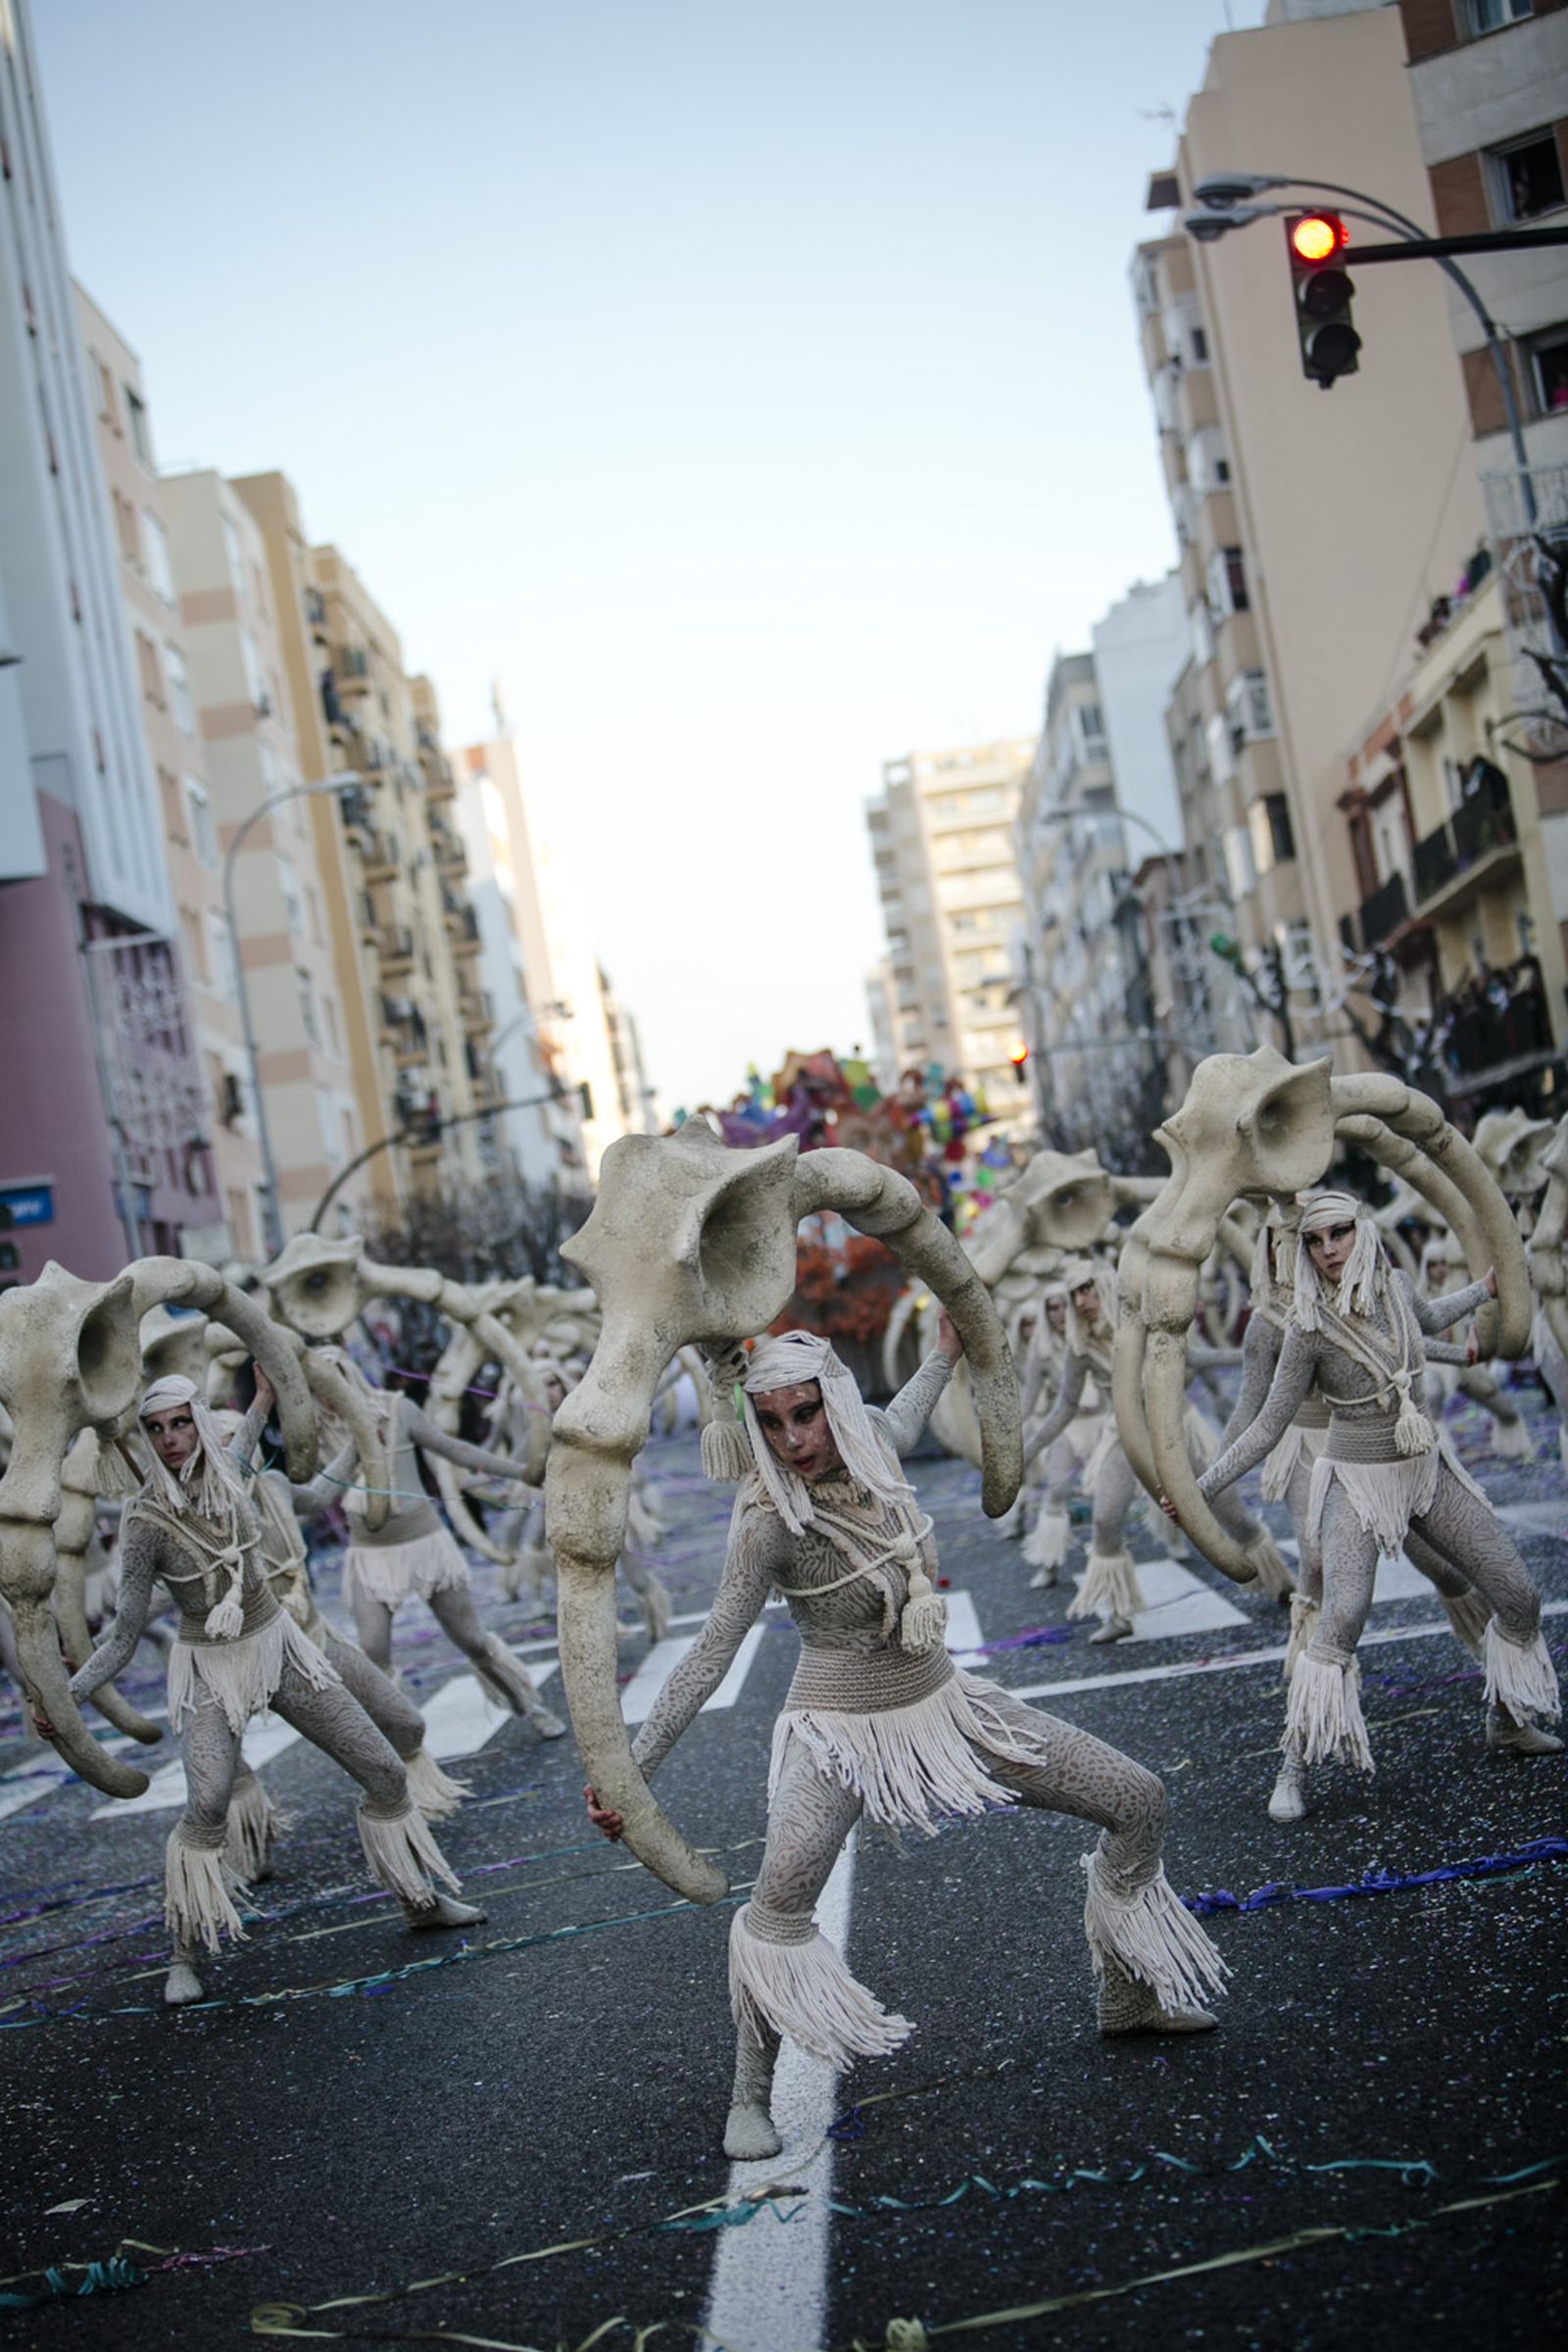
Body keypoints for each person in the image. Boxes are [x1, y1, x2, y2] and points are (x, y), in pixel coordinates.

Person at [587, 1321, 1227, 2161]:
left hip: (944, 1706)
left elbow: (916, 1402)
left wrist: (950, 1346)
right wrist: (628, 1777)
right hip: (836, 1727)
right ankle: (749, 2095)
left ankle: (1128, 1992)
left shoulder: (878, 1443)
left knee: (1138, 1798)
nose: (793, 1439)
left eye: (806, 1415)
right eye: (771, 1422)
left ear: (836, 1404)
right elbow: (711, 1652)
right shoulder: (766, 1523)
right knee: (778, 1902)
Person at [63, 1375, 482, 2007]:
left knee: (382, 1770)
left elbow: (262, 1414)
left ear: (199, 1422)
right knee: (206, 1805)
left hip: (281, 1648)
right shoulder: (144, 1518)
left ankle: (420, 1902)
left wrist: (268, 1390)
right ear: (144, 1438)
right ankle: (183, 1954)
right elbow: (122, 1635)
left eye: (180, 1422)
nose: (170, 1438)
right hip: (209, 1668)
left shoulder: (234, 1469)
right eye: (156, 1428)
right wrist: (65, 1698)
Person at [1191, 1190, 1560, 1803]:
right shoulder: (1303, 1328)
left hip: (1425, 1471)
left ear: (1361, 1230)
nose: (1328, 1249)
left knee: (1519, 1595)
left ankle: (1507, 1717)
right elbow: (1264, 1423)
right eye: (1315, 1239)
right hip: (1354, 1482)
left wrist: (1486, 1290)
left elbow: (1429, 1321)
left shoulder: (1394, 1286)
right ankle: (1294, 1764)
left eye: (1339, 1233)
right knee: (1341, 1617)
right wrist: (1203, 1488)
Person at [312, 1348, 565, 1740]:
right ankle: (400, 1749)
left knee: (473, 1641)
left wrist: (524, 1472)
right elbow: (312, 1494)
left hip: (426, 1543)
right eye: (318, 1383)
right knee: (372, 1652)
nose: (328, 1391)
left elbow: (454, 1450)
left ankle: (527, 1704)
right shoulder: (316, 1428)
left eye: (334, 1378)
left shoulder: (396, 1409)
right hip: (369, 1555)